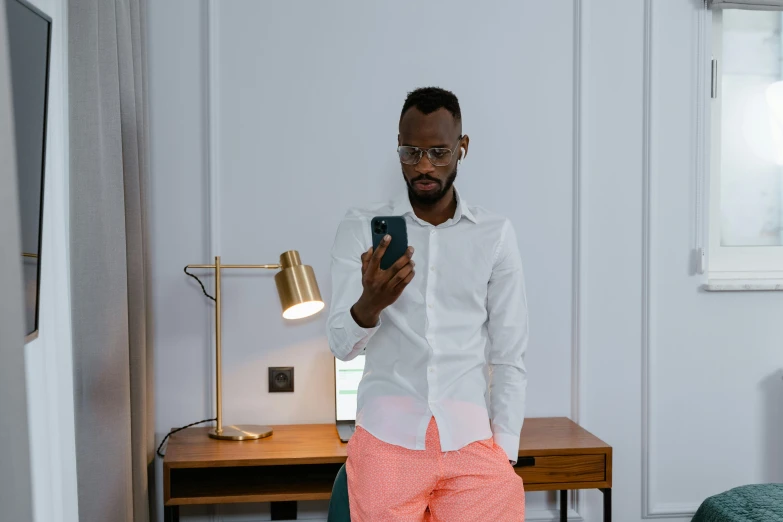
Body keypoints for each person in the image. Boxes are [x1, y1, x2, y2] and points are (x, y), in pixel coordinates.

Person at [327, 86, 528, 521]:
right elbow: (341, 346)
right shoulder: (360, 228)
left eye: (438, 151)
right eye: (410, 151)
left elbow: (510, 353)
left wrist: (505, 449)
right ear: (397, 147)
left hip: (472, 443)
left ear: (462, 147)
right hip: (386, 440)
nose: (423, 165)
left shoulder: (494, 234)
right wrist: (370, 305)